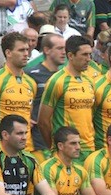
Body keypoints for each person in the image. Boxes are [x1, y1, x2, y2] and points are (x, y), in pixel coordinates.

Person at [39, 36, 95, 164]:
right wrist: (54, 146)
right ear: (70, 55)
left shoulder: (89, 81)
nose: (89, 59)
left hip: (89, 149)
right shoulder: (57, 81)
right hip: (67, 150)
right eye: (84, 55)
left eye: (90, 55)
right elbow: (43, 121)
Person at [25, 33, 67, 163]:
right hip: (38, 140)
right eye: (59, 48)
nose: (64, 52)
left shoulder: (64, 76)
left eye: (65, 48)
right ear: (47, 50)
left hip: (60, 138)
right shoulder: (31, 74)